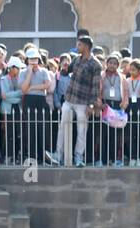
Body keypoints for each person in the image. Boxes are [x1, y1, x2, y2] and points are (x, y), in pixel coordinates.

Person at [49, 37, 101, 166]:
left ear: (87, 46)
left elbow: (95, 86)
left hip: (83, 102)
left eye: (79, 45)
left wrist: (91, 104)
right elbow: (67, 72)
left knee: (81, 131)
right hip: (69, 99)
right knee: (62, 127)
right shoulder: (77, 59)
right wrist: (65, 67)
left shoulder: (95, 64)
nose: (77, 47)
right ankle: (58, 155)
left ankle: (78, 157)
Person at [21, 49, 55, 166]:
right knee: (30, 129)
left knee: (43, 128)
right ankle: (32, 157)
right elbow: (24, 89)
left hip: (41, 100)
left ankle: (44, 156)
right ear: (27, 60)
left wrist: (33, 87)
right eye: (31, 59)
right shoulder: (23, 72)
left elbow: (47, 85)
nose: (33, 62)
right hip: (29, 101)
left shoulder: (44, 71)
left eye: (35, 59)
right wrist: (29, 73)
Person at [0, 57, 23, 163]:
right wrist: (19, 94)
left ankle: (16, 156)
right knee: (8, 134)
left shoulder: (20, 79)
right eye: (17, 68)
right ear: (11, 68)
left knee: (18, 133)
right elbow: (3, 96)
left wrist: (11, 96)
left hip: (18, 109)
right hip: (7, 110)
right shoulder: (3, 79)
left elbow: (8, 96)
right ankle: (6, 156)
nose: (19, 70)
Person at [125, 58, 140, 165]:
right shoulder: (127, 80)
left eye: (134, 70)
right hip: (130, 105)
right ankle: (132, 156)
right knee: (131, 133)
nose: (132, 72)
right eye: (130, 70)